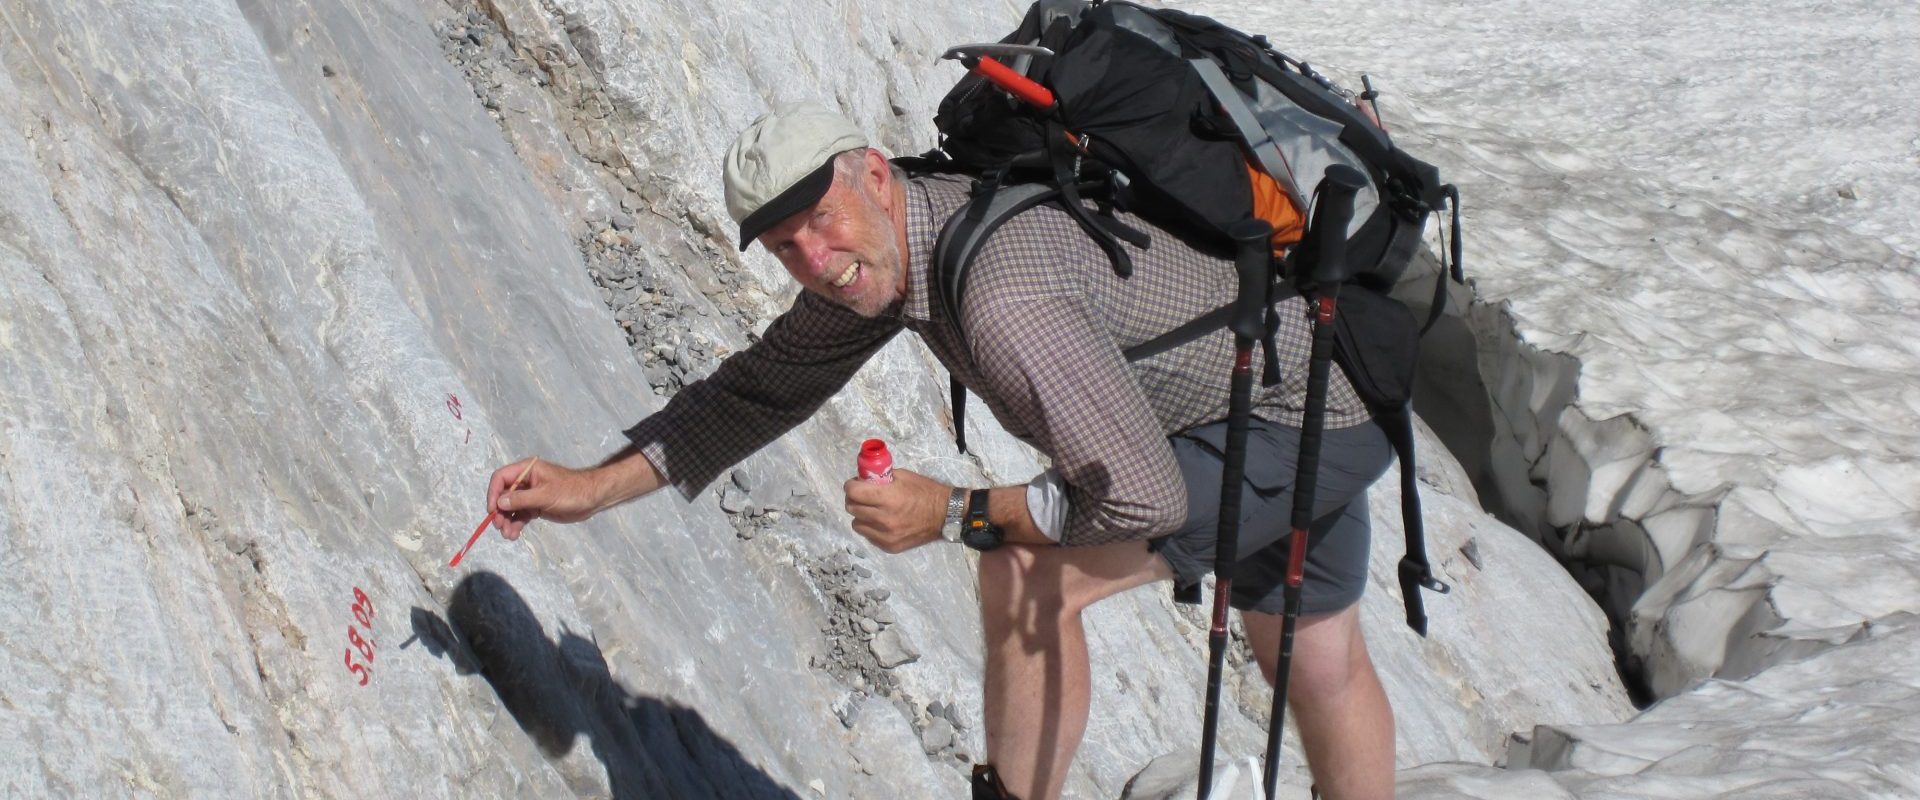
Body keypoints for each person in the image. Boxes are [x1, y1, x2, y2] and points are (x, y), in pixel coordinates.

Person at [484, 102, 1396, 800]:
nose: (815, 258)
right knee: (1315, 656)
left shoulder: (997, 295)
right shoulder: (913, 237)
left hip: (1288, 420)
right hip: (1304, 372)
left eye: (821, 218)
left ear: (875, 175)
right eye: (785, 246)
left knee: (1029, 576)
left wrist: (955, 514)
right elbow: (760, 389)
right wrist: (591, 488)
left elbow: (1142, 501)